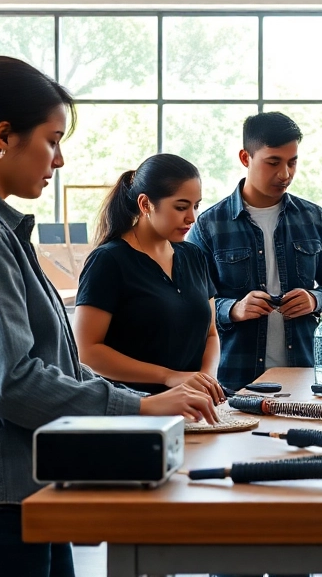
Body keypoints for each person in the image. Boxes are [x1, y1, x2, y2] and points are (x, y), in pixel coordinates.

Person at [0, 57, 218, 577]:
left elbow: (54, 365)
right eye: (52, 140)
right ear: (4, 136)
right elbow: (12, 382)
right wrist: (140, 407)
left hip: (24, 495)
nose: (60, 159)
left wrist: (145, 403)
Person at [188, 112, 322, 392]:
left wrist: (315, 299)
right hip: (236, 381)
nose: (285, 174)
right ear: (245, 158)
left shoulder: (313, 218)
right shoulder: (209, 225)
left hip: (304, 377)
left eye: (292, 162)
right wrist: (233, 309)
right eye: (273, 162)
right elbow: (192, 304)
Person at [73, 154, 225, 401]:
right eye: (181, 207)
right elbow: (87, 352)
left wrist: (206, 380)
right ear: (145, 204)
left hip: (194, 406)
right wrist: (169, 376)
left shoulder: (194, 255)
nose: (192, 217)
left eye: (196, 206)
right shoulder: (108, 261)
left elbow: (210, 334)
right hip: (132, 408)